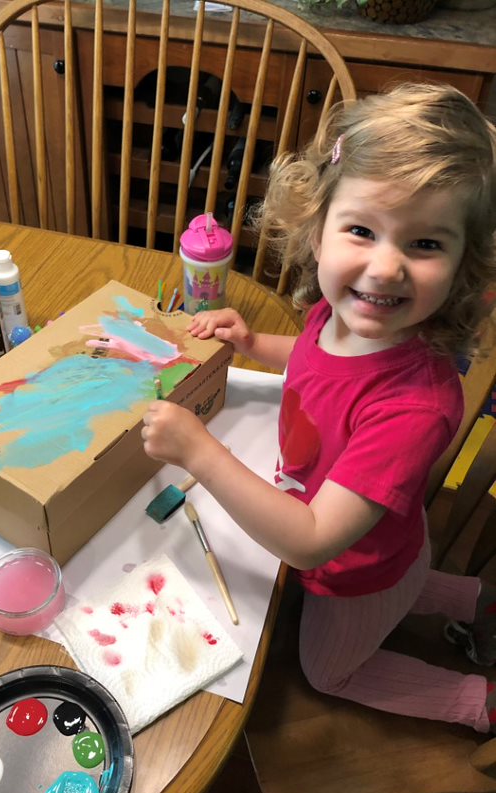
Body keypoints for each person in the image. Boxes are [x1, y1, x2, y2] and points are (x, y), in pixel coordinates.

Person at [141, 83, 496, 733]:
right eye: (362, 230)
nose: (384, 268)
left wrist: (199, 450)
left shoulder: (413, 406)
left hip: (356, 572)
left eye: (424, 245)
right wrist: (253, 342)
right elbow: (313, 358)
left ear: (461, 267)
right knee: (407, 578)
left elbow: (308, 544)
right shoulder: (341, 315)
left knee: (328, 670)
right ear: (318, 226)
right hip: (392, 543)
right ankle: (475, 599)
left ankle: (475, 703)